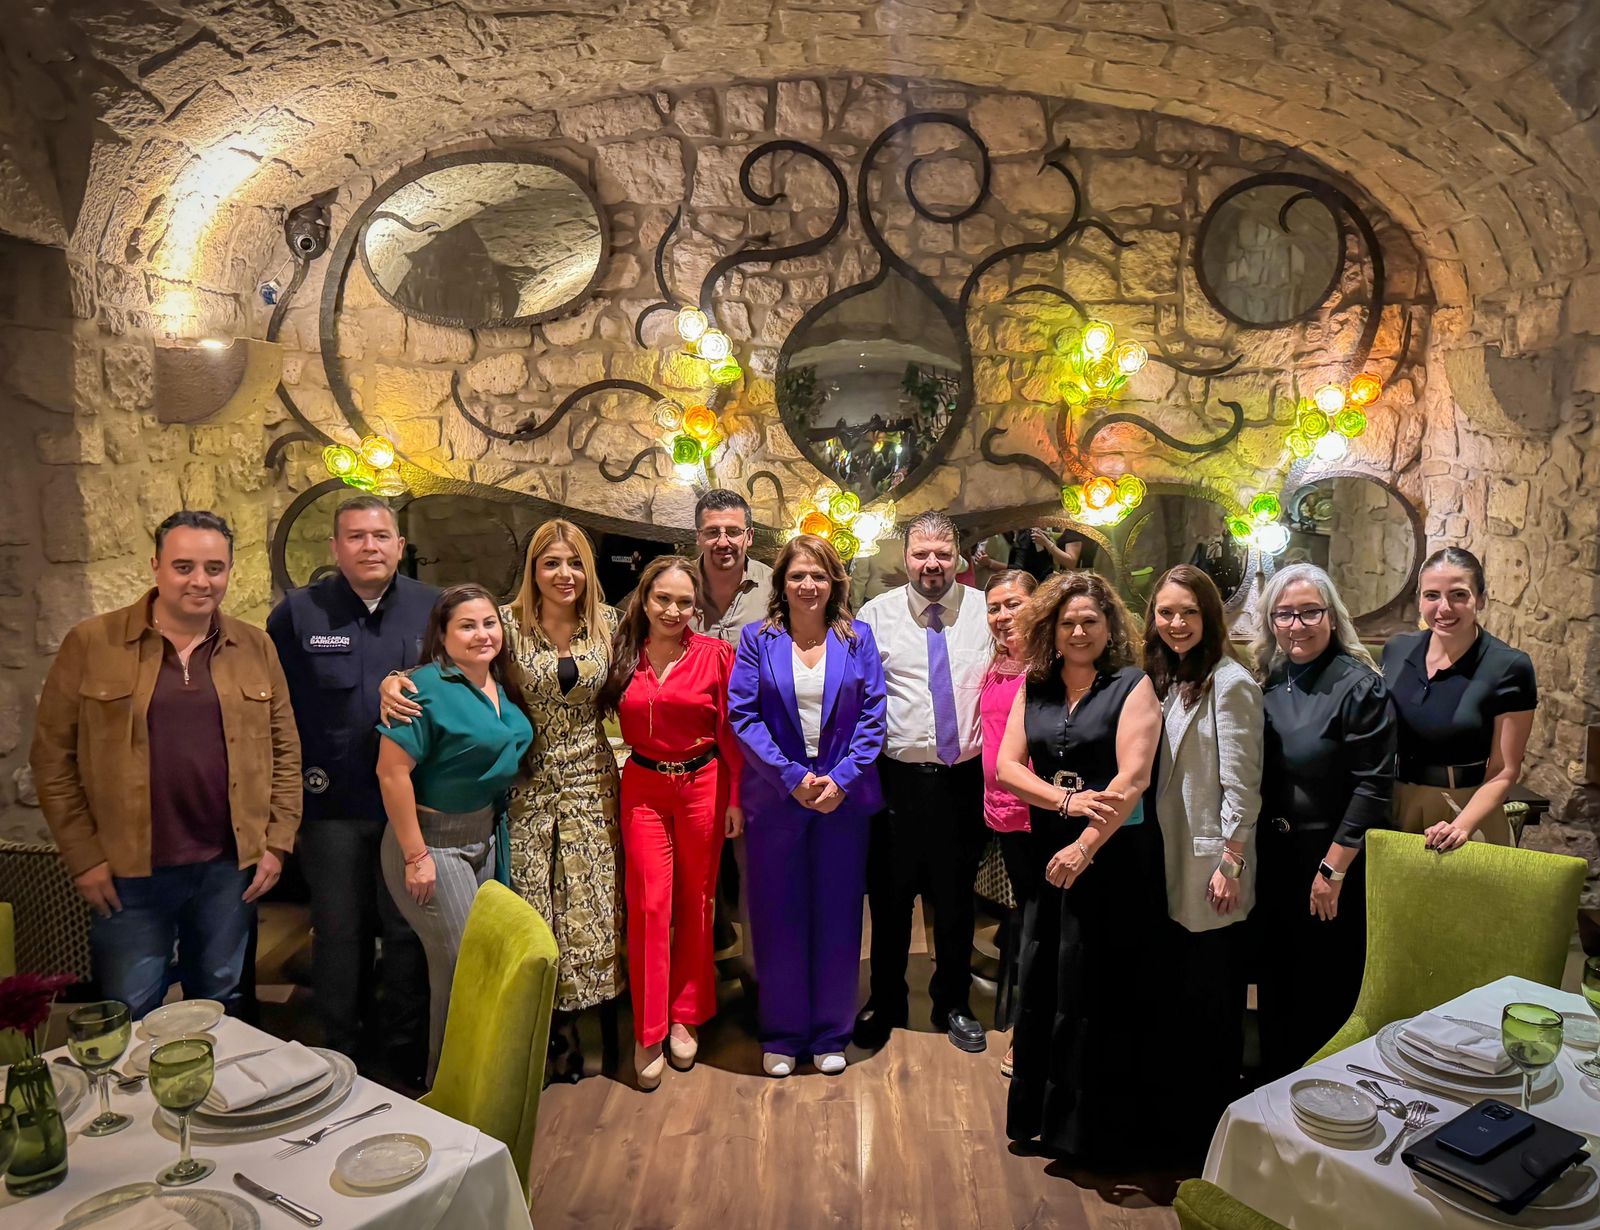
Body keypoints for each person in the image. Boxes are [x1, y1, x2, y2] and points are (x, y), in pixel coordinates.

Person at [31, 511, 302, 1019]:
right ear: (156, 566)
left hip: (228, 866)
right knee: (130, 1008)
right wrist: (84, 856)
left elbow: (285, 750)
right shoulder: (93, 643)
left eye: (214, 568)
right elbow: (52, 758)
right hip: (129, 870)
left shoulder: (254, 646)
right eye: (184, 566)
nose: (200, 581)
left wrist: (277, 842)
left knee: (222, 1004)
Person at [385, 521, 627, 1081]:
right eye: (551, 563)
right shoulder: (507, 625)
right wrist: (394, 680)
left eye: (574, 563)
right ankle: (535, 1033)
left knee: (590, 908)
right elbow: (451, 662)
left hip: (592, 785)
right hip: (525, 786)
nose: (564, 574)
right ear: (532, 570)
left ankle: (582, 1026)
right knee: (530, 910)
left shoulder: (610, 624)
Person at [995, 570, 1164, 1167]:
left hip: (1111, 855)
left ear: (1110, 626)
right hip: (1051, 850)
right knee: (1045, 980)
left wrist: (1085, 845)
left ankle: (1091, 1134)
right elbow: (1007, 768)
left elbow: (1133, 779)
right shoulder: (1035, 684)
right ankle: (1040, 1119)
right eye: (1067, 622)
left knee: (1095, 989)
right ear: (1051, 629)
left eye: (1090, 620)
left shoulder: (1132, 685)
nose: (1079, 631)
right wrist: (1064, 803)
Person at [267, 495, 432, 1077]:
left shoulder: (434, 608)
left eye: (381, 536)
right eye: (356, 537)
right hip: (331, 806)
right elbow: (274, 711)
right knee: (339, 932)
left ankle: (405, 1053)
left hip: (411, 807)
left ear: (399, 546)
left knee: (408, 931)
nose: (370, 547)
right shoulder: (297, 615)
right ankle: (343, 1054)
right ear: (335, 547)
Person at [727, 535, 886, 1077]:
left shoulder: (858, 638)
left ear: (834, 582)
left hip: (842, 800)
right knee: (777, 916)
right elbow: (743, 716)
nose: (808, 584)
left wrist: (840, 779)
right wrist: (792, 778)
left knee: (839, 915)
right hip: (777, 799)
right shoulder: (757, 639)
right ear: (782, 583)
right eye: (797, 575)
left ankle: (831, 1032)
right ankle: (783, 1033)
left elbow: (874, 717)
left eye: (818, 574)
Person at [375, 584, 534, 1082]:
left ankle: (484, 1080)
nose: (482, 634)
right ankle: (447, 1087)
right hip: (432, 842)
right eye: (467, 626)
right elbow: (391, 773)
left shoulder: (499, 682)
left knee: (480, 961)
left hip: (484, 835)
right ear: (442, 636)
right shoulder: (420, 688)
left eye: (489, 623)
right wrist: (415, 854)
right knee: (465, 966)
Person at [598, 557, 744, 1091]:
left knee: (697, 901)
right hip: (643, 785)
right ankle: (650, 1026)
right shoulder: (618, 653)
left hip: (704, 781)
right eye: (663, 598)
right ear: (645, 598)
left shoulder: (716, 655)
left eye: (684, 601)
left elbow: (731, 731)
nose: (673, 610)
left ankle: (686, 1013)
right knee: (650, 905)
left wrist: (735, 799)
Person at [855, 511, 994, 1054]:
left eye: (943, 553)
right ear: (905, 557)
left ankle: (952, 1001)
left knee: (956, 900)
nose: (932, 564)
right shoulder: (875, 615)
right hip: (896, 780)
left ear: (958, 556)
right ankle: (886, 999)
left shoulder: (986, 612)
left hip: (964, 782)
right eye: (921, 554)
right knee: (890, 900)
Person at [1251, 563, 1395, 1082]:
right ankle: (1272, 1094)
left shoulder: (1359, 686)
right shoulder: (1270, 679)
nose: (1297, 625)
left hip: (1330, 862)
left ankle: (1323, 1094)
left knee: (1322, 988)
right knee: (1277, 982)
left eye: (1310, 612)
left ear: (1332, 617)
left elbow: (1373, 787)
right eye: (1284, 614)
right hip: (1274, 857)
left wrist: (1333, 870)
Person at [1143, 564, 1262, 1162]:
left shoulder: (1230, 682)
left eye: (1188, 612)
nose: (1176, 623)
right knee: (1181, 995)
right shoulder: (1168, 674)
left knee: (1213, 1000)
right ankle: (1180, 1120)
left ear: (1209, 617)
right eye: (1166, 612)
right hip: (1170, 853)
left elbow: (1244, 785)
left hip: (1211, 862)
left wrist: (1231, 863)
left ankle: (1213, 1133)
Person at [1382, 547, 1536, 850]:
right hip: (1393, 801)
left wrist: (1461, 826)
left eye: (1458, 595)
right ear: (1419, 599)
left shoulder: (1509, 666)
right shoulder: (1397, 649)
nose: (1444, 608)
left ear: (1480, 599)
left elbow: (1504, 769)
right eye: (1432, 595)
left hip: (1462, 810)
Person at [690, 489, 770, 989]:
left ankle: (760, 981)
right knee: (695, 879)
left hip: (756, 755)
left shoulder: (775, 589)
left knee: (755, 874)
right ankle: (696, 986)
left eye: (733, 531)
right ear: (697, 536)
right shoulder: (674, 586)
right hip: (690, 756)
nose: (723, 541)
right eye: (712, 531)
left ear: (749, 536)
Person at [978, 568, 1037, 1079]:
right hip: (1004, 813)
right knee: (1025, 924)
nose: (1002, 615)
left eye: (1013, 604)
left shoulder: (1048, 666)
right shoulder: (997, 663)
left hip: (1041, 815)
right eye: (994, 607)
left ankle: (1030, 1030)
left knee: (1040, 928)